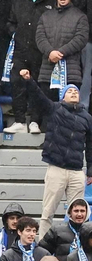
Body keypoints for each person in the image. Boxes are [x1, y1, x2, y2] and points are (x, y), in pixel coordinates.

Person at [13, 71, 92, 225]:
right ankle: (43, 247)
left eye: (76, 91)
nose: (73, 93)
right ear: (63, 96)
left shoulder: (88, 118)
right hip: (57, 169)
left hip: (76, 171)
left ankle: (77, 246)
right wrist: (29, 80)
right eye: (69, 91)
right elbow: (38, 97)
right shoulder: (54, 109)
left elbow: (90, 146)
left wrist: (90, 170)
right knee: (47, 213)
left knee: (79, 216)